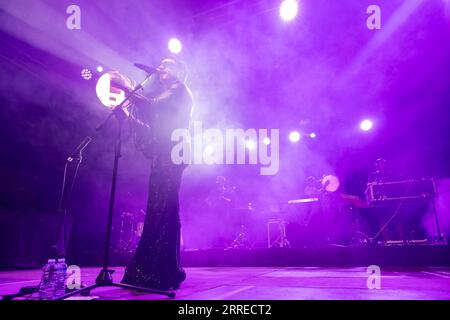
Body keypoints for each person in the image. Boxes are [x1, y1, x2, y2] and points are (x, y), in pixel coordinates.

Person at [121, 57, 193, 290]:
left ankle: (162, 270)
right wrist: (127, 115)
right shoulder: (167, 94)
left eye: (167, 64)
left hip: (173, 154)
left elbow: (152, 108)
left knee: (164, 208)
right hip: (165, 153)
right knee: (159, 208)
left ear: (179, 71)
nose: (161, 67)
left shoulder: (179, 90)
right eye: (160, 64)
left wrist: (127, 89)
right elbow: (154, 123)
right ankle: (158, 268)